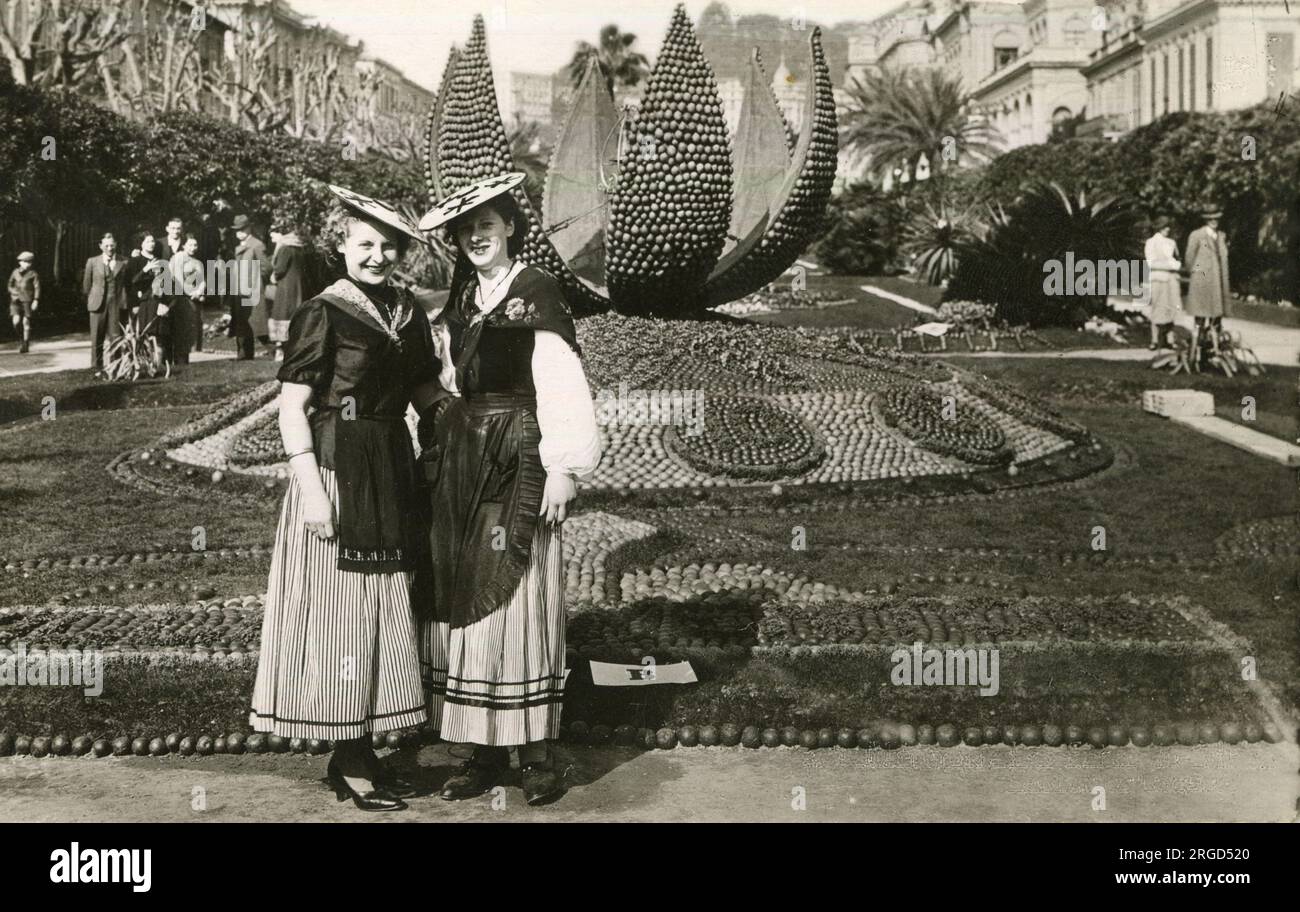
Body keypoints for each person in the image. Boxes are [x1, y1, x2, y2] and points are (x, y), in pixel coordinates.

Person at [249, 185, 444, 813]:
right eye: (365, 244)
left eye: (389, 246)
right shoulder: (323, 312)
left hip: (390, 469)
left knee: (387, 610)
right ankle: (349, 757)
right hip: (335, 475)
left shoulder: (408, 312)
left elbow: (420, 388)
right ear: (342, 246)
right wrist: (311, 491)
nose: (378, 256)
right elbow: (292, 407)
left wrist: (471, 426)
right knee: (344, 620)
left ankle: (360, 750)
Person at [416, 173, 602, 806]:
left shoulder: (536, 291)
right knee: (467, 591)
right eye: (466, 230)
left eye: (487, 226)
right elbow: (445, 374)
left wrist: (562, 468)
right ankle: (478, 748)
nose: (476, 236)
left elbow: (560, 382)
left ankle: (534, 753)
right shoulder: (463, 296)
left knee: (520, 593)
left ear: (510, 229)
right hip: (466, 458)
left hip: (520, 454)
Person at [1185, 206, 1230, 361]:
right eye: (1211, 219)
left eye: (1217, 218)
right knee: (1200, 318)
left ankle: (1214, 351)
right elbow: (1189, 259)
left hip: (1218, 284)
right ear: (1206, 220)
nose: (1214, 222)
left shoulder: (1222, 236)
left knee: (1216, 319)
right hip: (1202, 283)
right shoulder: (1197, 235)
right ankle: (1196, 352)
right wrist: (1199, 275)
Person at [83, 233, 129, 375]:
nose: (109, 248)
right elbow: (86, 285)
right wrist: (92, 298)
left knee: (116, 337)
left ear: (116, 245)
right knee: (96, 336)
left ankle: (115, 367)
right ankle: (96, 368)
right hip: (98, 303)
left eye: (112, 245)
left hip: (116, 303)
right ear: (101, 246)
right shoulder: (92, 261)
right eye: (106, 245)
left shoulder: (124, 261)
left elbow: (128, 284)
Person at [230, 214, 270, 360]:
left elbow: (266, 267)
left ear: (249, 228)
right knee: (241, 322)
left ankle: (273, 351)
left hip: (252, 290)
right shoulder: (239, 246)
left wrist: (257, 282)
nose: (239, 233)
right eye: (236, 230)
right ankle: (243, 354)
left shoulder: (257, 245)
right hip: (239, 291)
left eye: (242, 229)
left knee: (256, 322)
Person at [267, 221, 307, 360]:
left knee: (282, 313)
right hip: (298, 286)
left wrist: (273, 275)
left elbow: (279, 269)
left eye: (274, 235)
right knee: (294, 314)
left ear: (281, 234)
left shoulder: (285, 248)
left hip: (286, 287)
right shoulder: (299, 247)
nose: (272, 238)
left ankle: (281, 350)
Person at [166, 233, 206, 365]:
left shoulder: (196, 261)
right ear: (183, 245)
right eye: (190, 245)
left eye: (195, 245)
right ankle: (178, 362)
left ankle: (184, 362)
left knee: (189, 331)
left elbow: (202, 280)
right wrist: (192, 293)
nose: (193, 247)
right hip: (181, 300)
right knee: (181, 331)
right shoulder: (178, 258)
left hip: (193, 300)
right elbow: (177, 280)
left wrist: (200, 291)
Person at [1143, 215, 1181, 350]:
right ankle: (1154, 339)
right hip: (1157, 279)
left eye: (1168, 226)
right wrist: (1170, 265)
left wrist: (1174, 265)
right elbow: (1150, 263)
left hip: (1171, 280)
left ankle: (1170, 339)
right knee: (1157, 308)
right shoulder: (1151, 242)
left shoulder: (1171, 243)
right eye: (1164, 226)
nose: (1167, 229)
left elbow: (1177, 261)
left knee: (1171, 309)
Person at [126, 231, 169, 341]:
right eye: (148, 241)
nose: (151, 244)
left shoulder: (159, 261)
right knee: (142, 335)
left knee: (158, 336)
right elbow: (131, 283)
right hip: (141, 303)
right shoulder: (135, 261)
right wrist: (146, 269)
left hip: (156, 302)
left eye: (152, 241)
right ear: (142, 244)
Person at [7, 251, 39, 354]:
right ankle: (21, 339)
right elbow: (9, 285)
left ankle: (25, 343)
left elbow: (37, 287)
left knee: (26, 322)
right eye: (25, 261)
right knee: (15, 322)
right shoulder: (15, 272)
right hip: (15, 300)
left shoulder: (33, 274)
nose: (27, 264)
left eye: (29, 262)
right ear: (20, 262)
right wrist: (13, 291)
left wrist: (36, 300)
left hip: (27, 300)